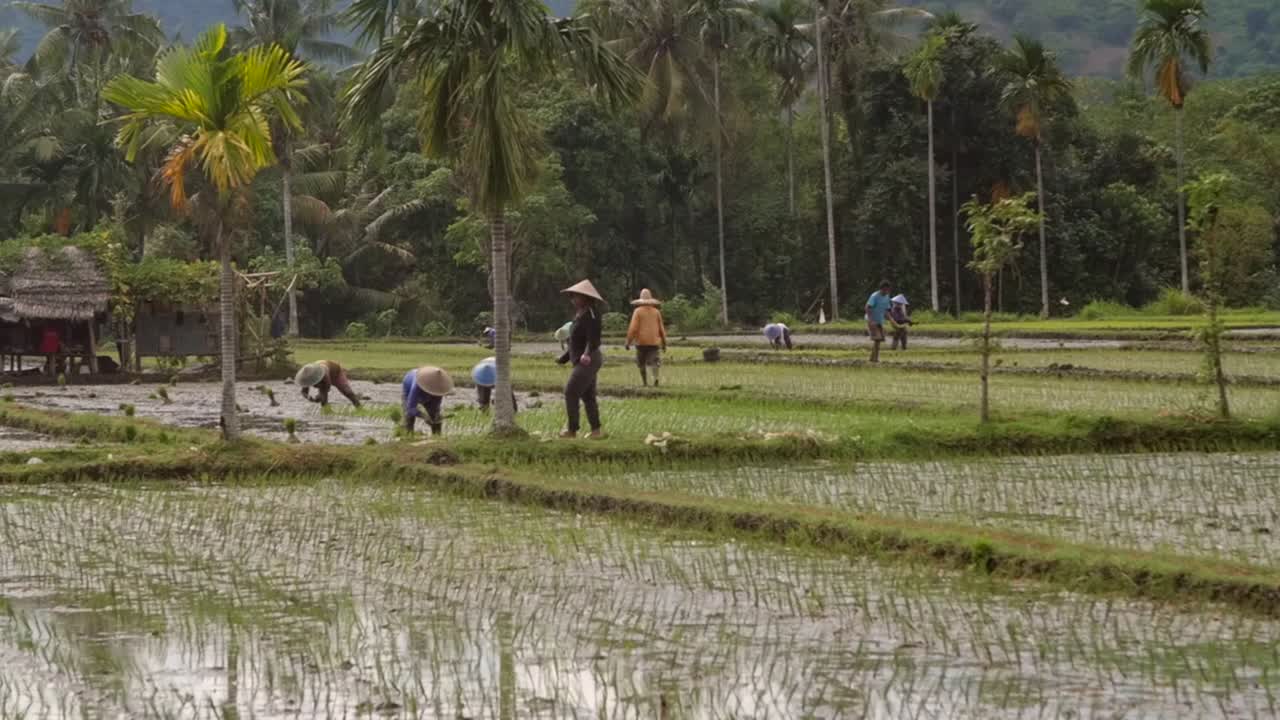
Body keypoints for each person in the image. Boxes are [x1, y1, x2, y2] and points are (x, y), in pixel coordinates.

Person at [557, 279, 605, 439]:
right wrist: (564, 358)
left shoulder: (591, 315)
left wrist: (586, 354)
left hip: (589, 359)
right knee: (588, 395)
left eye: (576, 296)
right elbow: (575, 340)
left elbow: (593, 340)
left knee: (570, 392)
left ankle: (572, 430)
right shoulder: (579, 314)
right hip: (581, 358)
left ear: (585, 297)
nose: (573, 299)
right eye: (572, 296)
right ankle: (596, 430)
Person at [624, 288, 667, 386]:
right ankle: (655, 379)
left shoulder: (637, 312)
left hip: (641, 342)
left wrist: (628, 341)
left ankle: (645, 382)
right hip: (654, 342)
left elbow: (633, 328)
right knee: (655, 361)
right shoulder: (656, 312)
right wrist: (664, 343)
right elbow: (661, 329)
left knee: (641, 362)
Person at [401, 365, 454, 435]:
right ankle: (408, 435)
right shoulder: (417, 386)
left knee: (435, 417)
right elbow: (410, 408)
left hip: (429, 395)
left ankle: (437, 437)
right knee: (409, 417)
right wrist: (424, 416)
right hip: (409, 387)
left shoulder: (439, 388)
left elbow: (436, 406)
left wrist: (436, 415)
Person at [296, 360, 362, 408]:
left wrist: (319, 395)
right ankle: (326, 413)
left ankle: (359, 407)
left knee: (347, 392)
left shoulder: (323, 371)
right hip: (323, 381)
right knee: (323, 401)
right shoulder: (306, 378)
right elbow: (303, 392)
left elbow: (327, 386)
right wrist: (308, 397)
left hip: (336, 374)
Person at [865, 280, 894, 363]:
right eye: (885, 290)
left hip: (879, 321)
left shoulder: (887, 297)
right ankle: (874, 359)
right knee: (877, 339)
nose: (886, 291)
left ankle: (872, 358)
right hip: (872, 320)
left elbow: (886, 310)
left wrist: (891, 319)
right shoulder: (875, 296)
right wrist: (871, 321)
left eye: (888, 290)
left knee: (879, 340)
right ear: (881, 289)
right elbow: (867, 307)